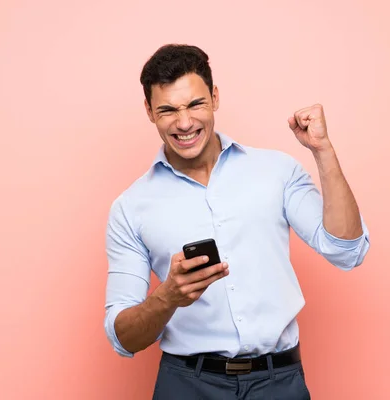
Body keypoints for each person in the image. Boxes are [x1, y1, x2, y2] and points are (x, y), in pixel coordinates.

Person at [103, 44, 370, 399]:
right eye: (167, 110)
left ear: (214, 97)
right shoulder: (130, 207)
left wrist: (323, 151)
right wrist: (166, 298)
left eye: (195, 104)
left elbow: (346, 250)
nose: (184, 123)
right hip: (186, 385)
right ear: (150, 112)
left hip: (279, 383)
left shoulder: (276, 171)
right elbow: (123, 338)